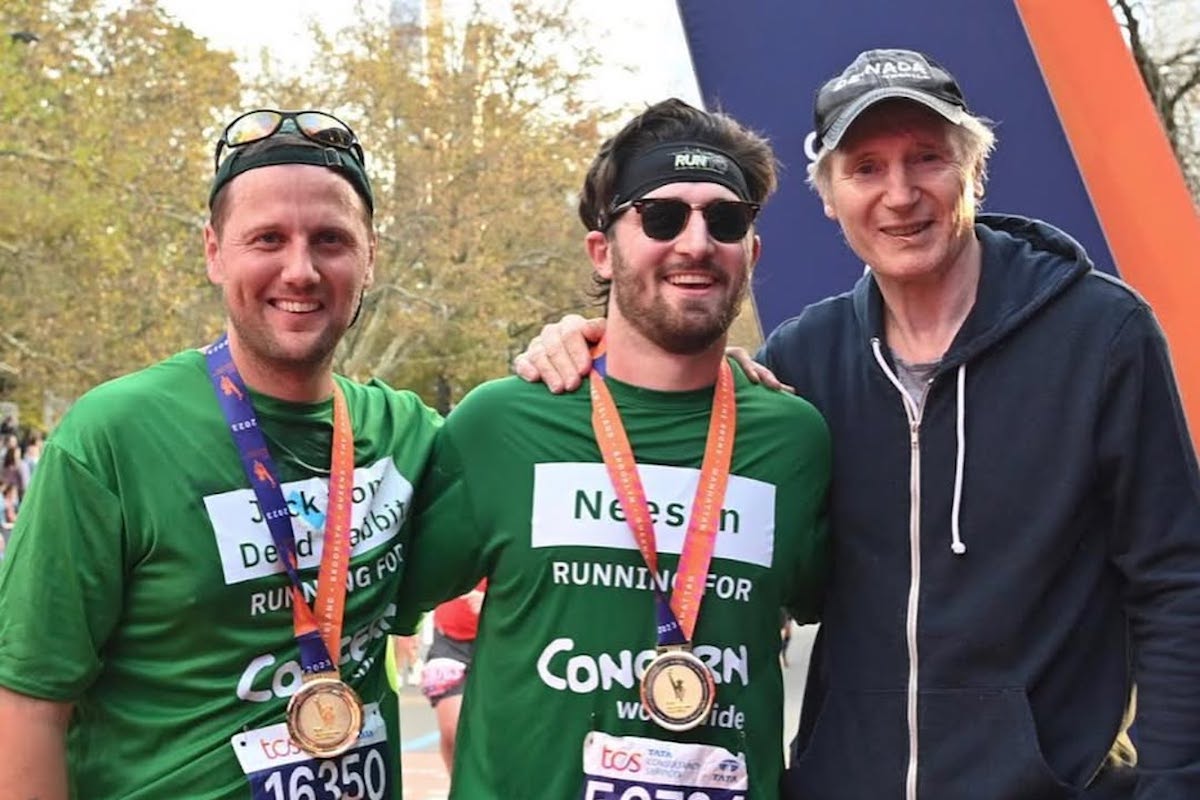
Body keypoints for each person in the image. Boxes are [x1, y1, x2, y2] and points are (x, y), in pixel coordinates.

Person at [516, 48, 1200, 799]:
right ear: (829, 196)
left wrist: (1173, 782)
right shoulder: (803, 360)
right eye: (866, 168)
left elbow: (1176, 581)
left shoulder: (1102, 335)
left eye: (927, 159)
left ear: (973, 172)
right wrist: (593, 340)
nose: (900, 194)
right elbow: (683, 458)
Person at [0, 109, 442, 799]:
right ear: (213, 251)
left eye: (330, 239)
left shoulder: (409, 435)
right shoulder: (113, 437)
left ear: (370, 256)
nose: (300, 269)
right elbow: (26, 703)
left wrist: (580, 344)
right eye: (267, 238)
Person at [398, 98, 830, 798]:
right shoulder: (500, 424)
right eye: (662, 217)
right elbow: (368, 602)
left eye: (725, 220)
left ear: (750, 251)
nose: (696, 243)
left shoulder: (795, 439)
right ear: (603, 250)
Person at [418, 580, 486, 771]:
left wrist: (496, 605)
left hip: (499, 640)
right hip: (449, 642)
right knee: (452, 731)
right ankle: (459, 789)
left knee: (493, 736)